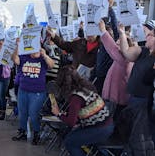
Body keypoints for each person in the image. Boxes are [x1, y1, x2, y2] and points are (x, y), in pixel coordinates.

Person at [51, 65, 113, 156]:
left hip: (99, 129)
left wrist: (58, 114)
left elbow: (71, 122)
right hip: (107, 125)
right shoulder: (86, 88)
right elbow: (82, 113)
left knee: (69, 142)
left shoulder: (76, 98)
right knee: (73, 135)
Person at [118, 20, 155, 154]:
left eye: (149, 35)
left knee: (140, 136)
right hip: (134, 99)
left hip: (145, 102)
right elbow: (126, 52)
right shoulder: (143, 51)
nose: (146, 36)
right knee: (132, 133)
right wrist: (122, 34)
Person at [11, 39, 54, 145]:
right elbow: (14, 59)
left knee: (34, 114)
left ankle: (36, 134)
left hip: (37, 92)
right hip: (23, 90)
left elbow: (51, 65)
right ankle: (22, 132)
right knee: (22, 113)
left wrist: (45, 55)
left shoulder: (42, 59)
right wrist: (17, 46)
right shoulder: (24, 57)